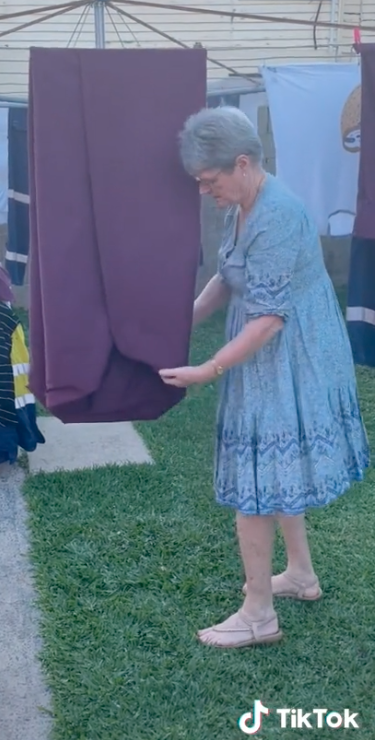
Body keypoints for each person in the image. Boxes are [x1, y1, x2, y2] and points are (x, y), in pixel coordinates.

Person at [159, 107, 370, 649]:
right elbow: (228, 277)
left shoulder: (277, 215)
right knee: (275, 468)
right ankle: (300, 575)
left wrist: (208, 369)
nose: (206, 191)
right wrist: (174, 324)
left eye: (210, 181)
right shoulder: (243, 203)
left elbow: (270, 319)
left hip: (288, 352)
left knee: (255, 478)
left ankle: (259, 614)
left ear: (243, 163)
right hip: (273, 344)